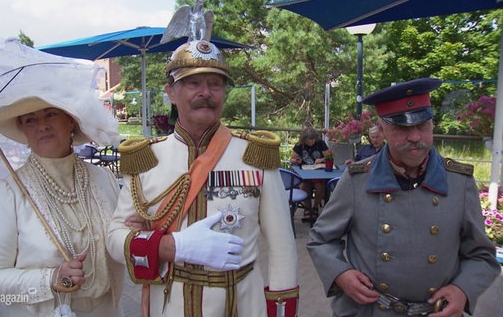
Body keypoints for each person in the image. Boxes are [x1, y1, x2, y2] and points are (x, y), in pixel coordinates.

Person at [106, 39, 299, 317]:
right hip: (171, 305)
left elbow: (282, 246)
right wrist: (167, 246)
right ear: (171, 92)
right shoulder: (146, 158)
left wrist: (282, 308)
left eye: (215, 84)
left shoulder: (255, 155)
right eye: (193, 83)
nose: (205, 93)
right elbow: (115, 237)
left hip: (241, 304)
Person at [307, 77, 501, 317]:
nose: (415, 137)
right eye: (403, 128)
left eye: (422, 125)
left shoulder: (459, 181)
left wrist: (462, 290)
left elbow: (482, 256)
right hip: (369, 311)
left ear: (432, 124)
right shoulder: (358, 179)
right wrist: (340, 274)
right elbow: (321, 239)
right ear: (382, 129)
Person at [0, 92, 127, 316]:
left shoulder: (103, 178)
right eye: (30, 119)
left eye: (50, 114)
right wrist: (49, 279)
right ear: (23, 129)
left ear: (70, 120)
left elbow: (119, 238)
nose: (42, 126)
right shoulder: (7, 193)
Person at [289, 127, 329, 221]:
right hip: (304, 171)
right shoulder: (299, 145)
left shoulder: (321, 143)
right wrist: (297, 160)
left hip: (318, 171)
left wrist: (322, 159)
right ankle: (307, 208)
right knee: (303, 186)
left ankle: (315, 208)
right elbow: (292, 159)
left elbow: (329, 156)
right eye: (308, 141)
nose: (311, 143)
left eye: (312, 141)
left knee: (320, 186)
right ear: (304, 140)